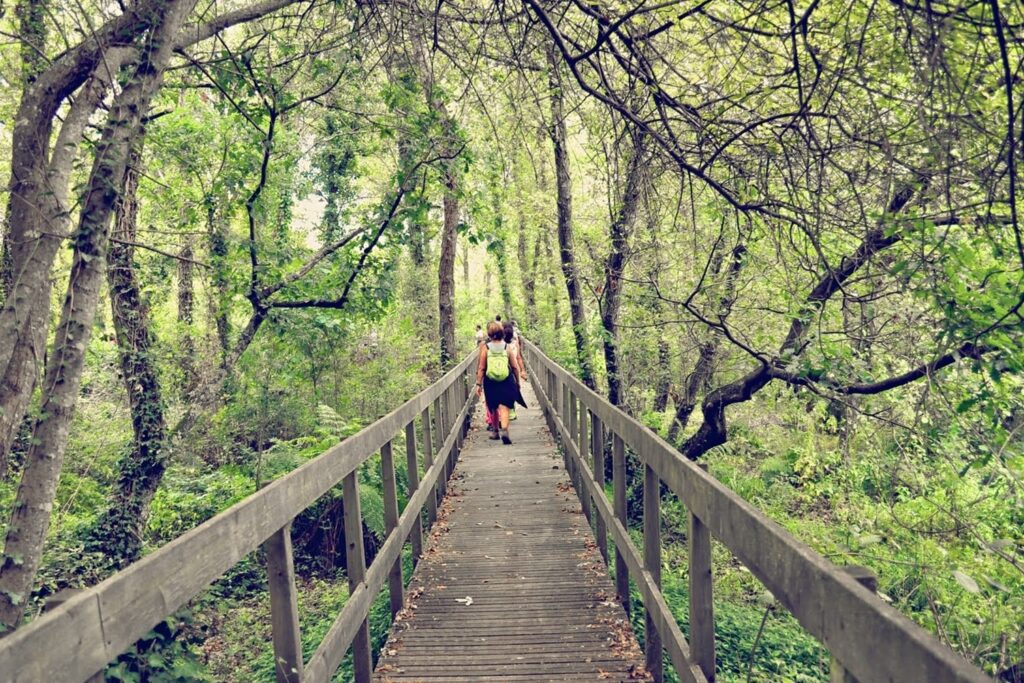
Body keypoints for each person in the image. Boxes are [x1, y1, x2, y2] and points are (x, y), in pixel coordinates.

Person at [477, 321, 526, 444]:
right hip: (506, 380)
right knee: (504, 406)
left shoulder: (486, 348)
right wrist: (517, 381)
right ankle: (505, 430)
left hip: (490, 381)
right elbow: (514, 366)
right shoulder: (507, 347)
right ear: (501, 333)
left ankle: (495, 432)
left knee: (493, 407)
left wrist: (478, 383)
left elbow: (481, 367)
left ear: (489, 334)